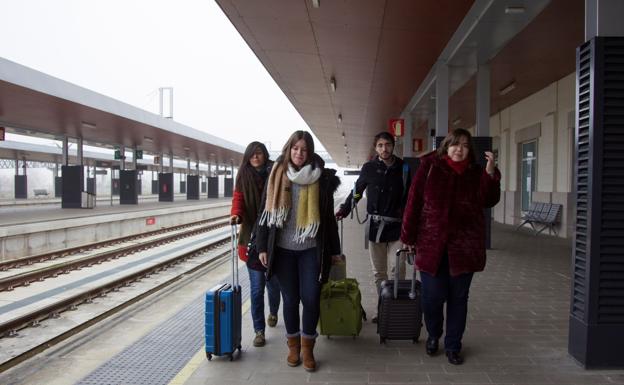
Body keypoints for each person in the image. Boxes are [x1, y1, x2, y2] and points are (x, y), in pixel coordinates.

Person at [400, 128, 500, 365]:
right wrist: (408, 237)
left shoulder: (477, 172)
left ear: (469, 150)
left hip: (464, 248)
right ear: (446, 146)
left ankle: (453, 345)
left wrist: (490, 173)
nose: (459, 149)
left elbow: (488, 200)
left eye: (465, 145)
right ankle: (434, 334)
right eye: (455, 144)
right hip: (431, 244)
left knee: (458, 298)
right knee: (432, 298)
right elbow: (413, 203)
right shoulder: (430, 168)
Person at [257, 130, 341, 372]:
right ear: (288, 149)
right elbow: (265, 213)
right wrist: (262, 246)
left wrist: (335, 251)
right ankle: (293, 346)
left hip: (310, 249)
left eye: (304, 149)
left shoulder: (321, 178)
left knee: (312, 298)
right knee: (291, 300)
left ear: (310, 152)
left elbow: (327, 218)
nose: (299, 153)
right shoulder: (276, 174)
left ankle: (308, 347)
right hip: (283, 250)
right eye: (295, 148)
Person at [335, 132, 410, 322]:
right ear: (376, 148)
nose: (384, 149)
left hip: (398, 227)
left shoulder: (404, 168)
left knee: (398, 268)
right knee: (379, 272)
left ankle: (395, 306)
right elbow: (357, 193)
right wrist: (344, 210)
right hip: (375, 227)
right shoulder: (368, 168)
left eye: (388, 145)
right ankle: (383, 307)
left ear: (394, 146)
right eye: (380, 145)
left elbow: (411, 199)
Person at [230, 141, 281, 348]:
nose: (256, 157)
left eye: (259, 154)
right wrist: (236, 215)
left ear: (264, 154)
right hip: (251, 238)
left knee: (273, 285)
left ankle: (274, 311)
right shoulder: (243, 175)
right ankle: (259, 330)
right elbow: (238, 200)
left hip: (273, 238)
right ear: (248, 157)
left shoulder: (275, 171)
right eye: (252, 154)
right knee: (257, 288)